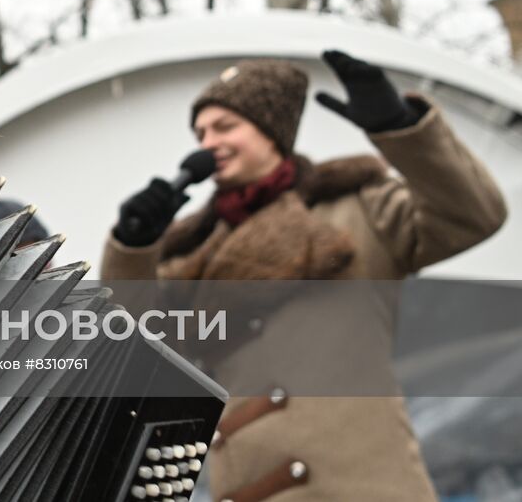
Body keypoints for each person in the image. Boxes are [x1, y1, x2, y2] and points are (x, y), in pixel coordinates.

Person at [101, 51, 507, 501]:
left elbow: (474, 216)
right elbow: (136, 349)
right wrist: (132, 250)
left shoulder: (358, 207)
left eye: (225, 126)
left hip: (366, 487)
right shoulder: (190, 252)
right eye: (200, 133)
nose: (207, 142)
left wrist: (400, 129)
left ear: (272, 130)